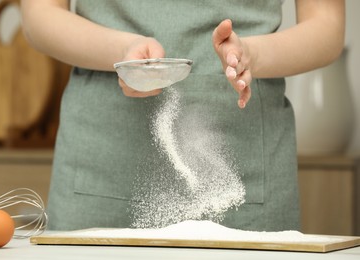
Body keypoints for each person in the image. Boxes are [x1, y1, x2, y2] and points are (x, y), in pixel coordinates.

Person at [20, 0, 345, 231]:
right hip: (102, 156)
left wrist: (254, 55)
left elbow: (327, 26)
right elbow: (40, 14)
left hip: (245, 165)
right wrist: (121, 52)